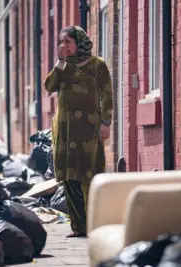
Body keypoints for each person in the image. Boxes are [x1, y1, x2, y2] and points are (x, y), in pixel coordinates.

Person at [44, 26, 113, 238]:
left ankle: (94, 223)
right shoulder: (63, 67)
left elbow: (107, 94)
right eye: (61, 42)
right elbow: (49, 86)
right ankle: (78, 227)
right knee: (69, 178)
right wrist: (60, 62)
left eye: (68, 42)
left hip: (88, 130)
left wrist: (106, 122)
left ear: (79, 42)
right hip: (65, 131)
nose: (64, 46)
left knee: (88, 175)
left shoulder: (97, 65)